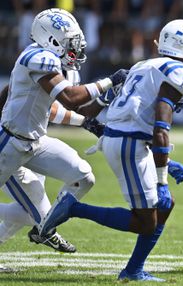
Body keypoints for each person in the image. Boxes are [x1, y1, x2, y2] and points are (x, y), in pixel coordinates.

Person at [39, 19, 183, 282]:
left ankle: (133, 269)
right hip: (129, 143)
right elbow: (161, 127)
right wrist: (162, 179)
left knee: (165, 205)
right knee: (145, 222)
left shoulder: (143, 65)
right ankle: (73, 208)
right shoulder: (179, 72)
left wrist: (166, 162)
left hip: (125, 140)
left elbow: (123, 114)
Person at [0, 7, 126, 256]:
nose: (76, 49)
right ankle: (45, 225)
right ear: (52, 39)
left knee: (83, 176)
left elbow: (48, 110)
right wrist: (109, 81)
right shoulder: (38, 57)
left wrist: (85, 123)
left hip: (34, 142)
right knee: (32, 213)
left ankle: (44, 228)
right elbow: (70, 98)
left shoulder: (51, 64)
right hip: (9, 144)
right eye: (71, 43)